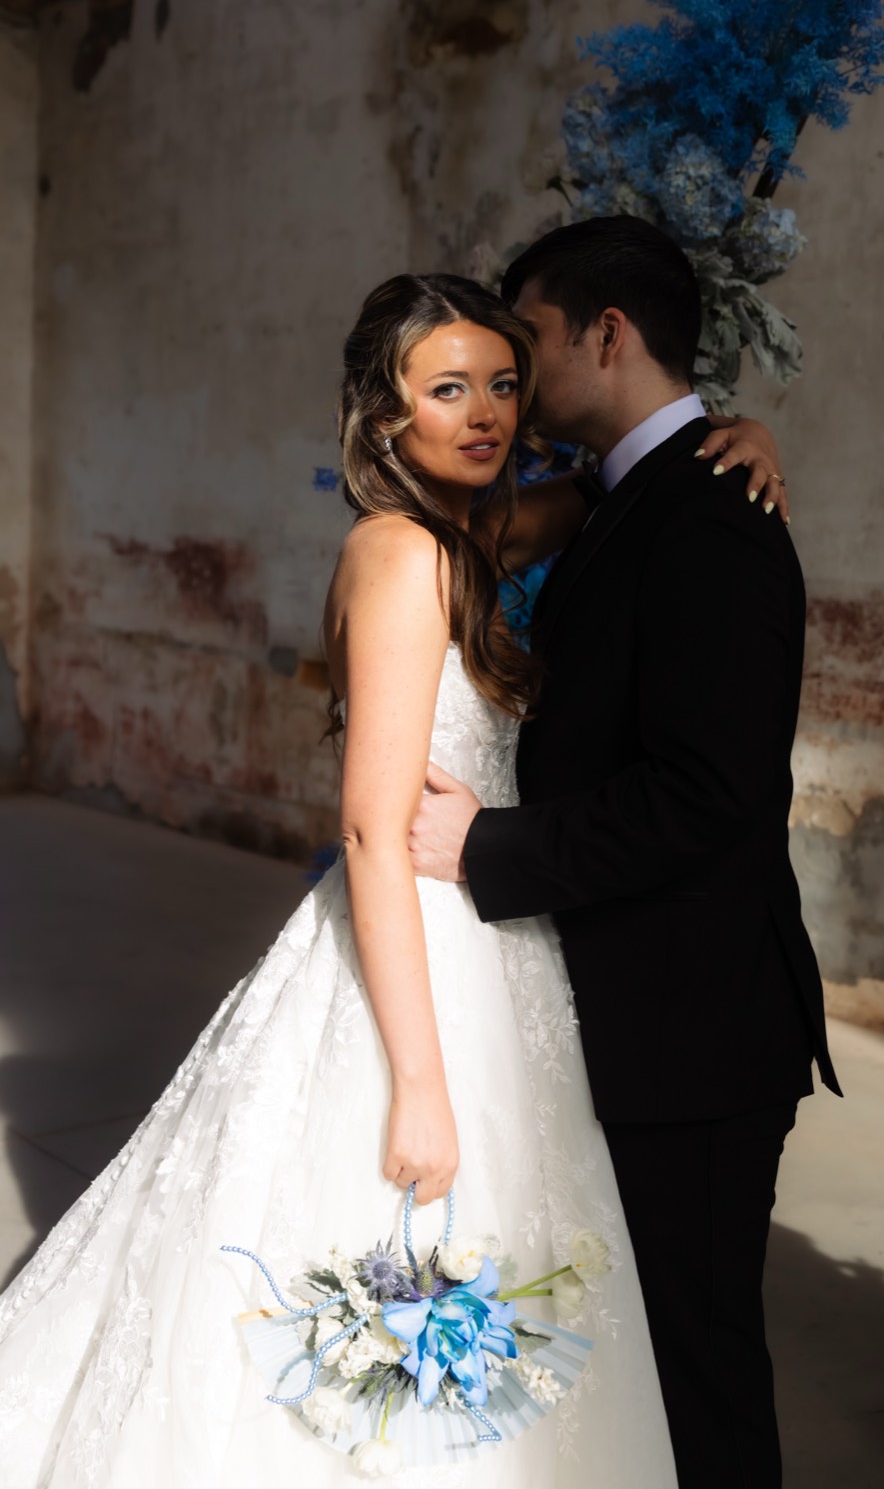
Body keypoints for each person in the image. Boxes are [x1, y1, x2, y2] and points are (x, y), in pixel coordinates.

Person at [0, 269, 786, 1488]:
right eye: (448, 389)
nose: (485, 413)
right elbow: (369, 831)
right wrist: (418, 1083)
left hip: (493, 933)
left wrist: (725, 436)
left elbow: (589, 494)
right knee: (394, 1276)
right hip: (417, 934)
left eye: (504, 384)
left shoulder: (467, 527)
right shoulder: (405, 555)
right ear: (384, 418)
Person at [408, 218, 843, 1489]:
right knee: (632, 1366)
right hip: (633, 1010)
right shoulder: (634, 486)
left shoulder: (710, 515)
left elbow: (709, 794)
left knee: (694, 1371)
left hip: (696, 1032)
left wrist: (489, 850)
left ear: (606, 335)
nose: (508, 374)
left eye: (525, 345)